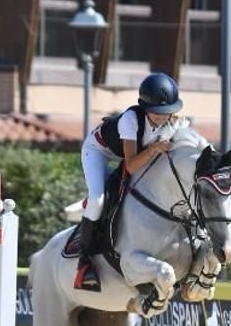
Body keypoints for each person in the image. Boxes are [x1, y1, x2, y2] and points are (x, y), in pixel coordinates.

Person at [74, 72, 185, 292]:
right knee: (98, 201)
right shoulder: (130, 120)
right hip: (99, 151)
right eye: (157, 112)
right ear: (145, 107)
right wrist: (154, 148)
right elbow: (131, 165)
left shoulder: (172, 122)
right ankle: (84, 261)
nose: (163, 117)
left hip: (130, 155)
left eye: (166, 112)